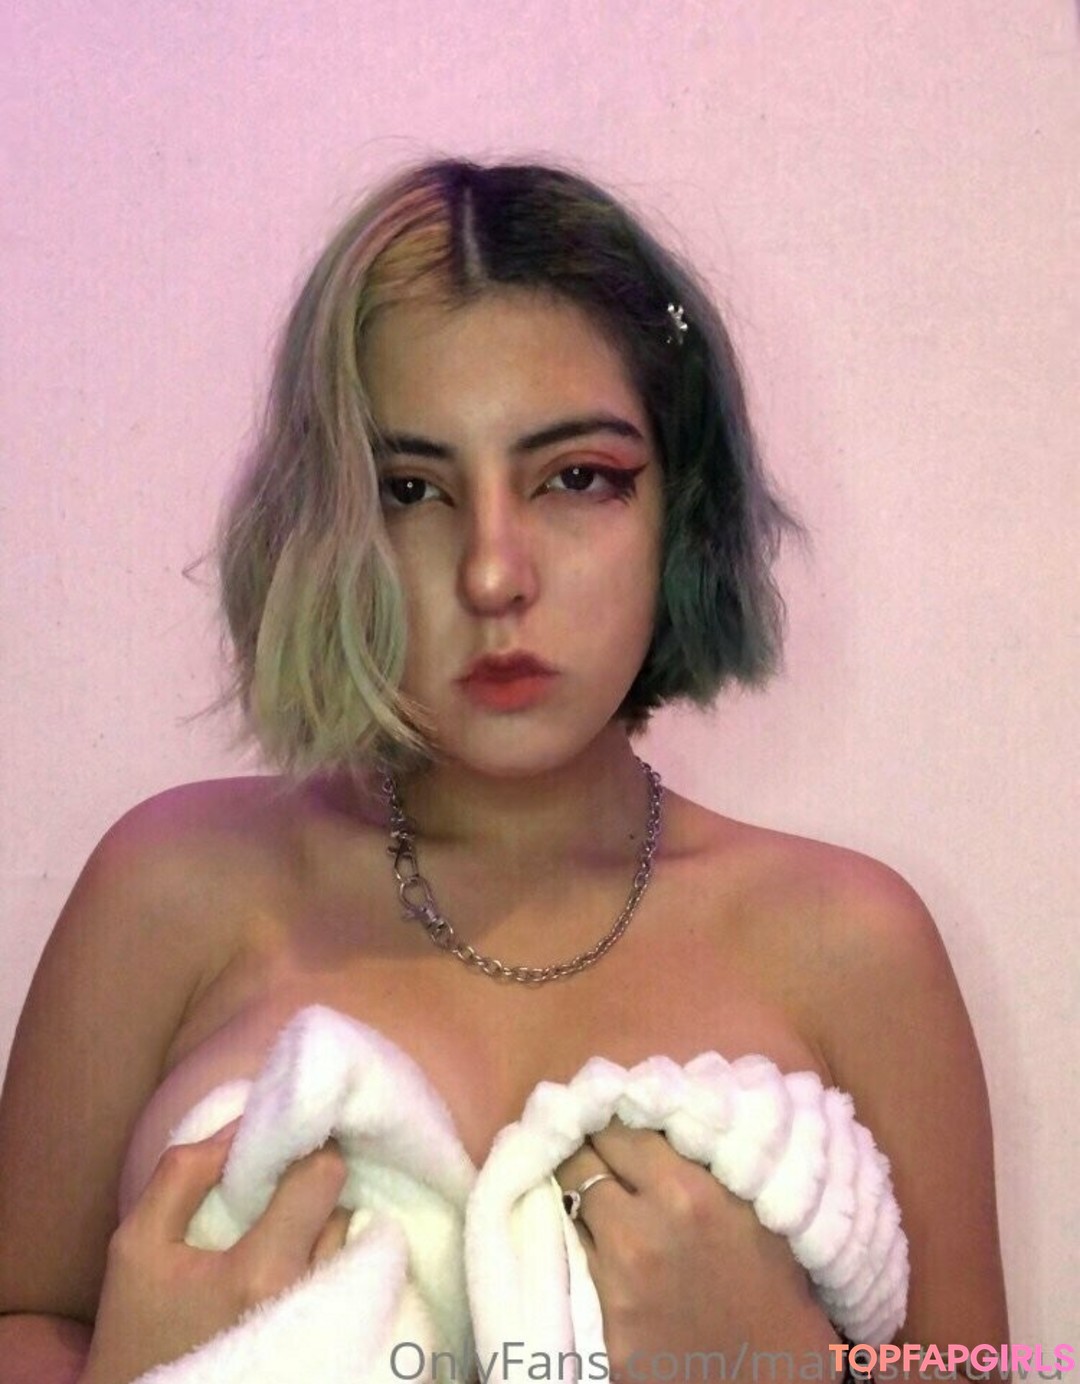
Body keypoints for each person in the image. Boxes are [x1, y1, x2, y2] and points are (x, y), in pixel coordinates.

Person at [0, 158, 1008, 1383]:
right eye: (410, 490)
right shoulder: (168, 890)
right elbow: (24, 1317)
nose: (492, 573)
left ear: (682, 505)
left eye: (576, 478)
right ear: (326, 525)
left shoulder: (854, 943)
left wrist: (789, 1367)